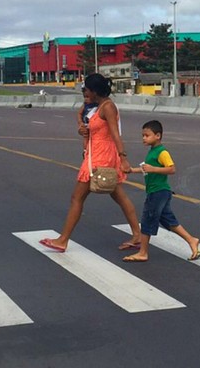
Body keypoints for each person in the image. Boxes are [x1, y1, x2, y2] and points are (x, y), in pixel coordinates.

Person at [39, 73, 142, 253]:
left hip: (101, 157)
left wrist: (123, 158)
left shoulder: (108, 107)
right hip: (98, 154)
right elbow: (92, 127)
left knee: (77, 198)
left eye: (86, 88)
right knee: (118, 194)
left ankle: (63, 240)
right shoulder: (98, 106)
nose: (84, 91)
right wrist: (83, 130)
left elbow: (115, 134)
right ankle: (137, 235)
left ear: (94, 91)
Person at [121, 119, 200, 263]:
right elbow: (147, 169)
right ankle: (192, 240)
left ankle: (143, 252)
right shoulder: (152, 152)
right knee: (168, 221)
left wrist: (153, 169)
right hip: (158, 192)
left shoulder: (162, 152)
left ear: (158, 135)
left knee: (147, 220)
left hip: (158, 192)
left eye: (147, 135)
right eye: (143, 135)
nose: (144, 138)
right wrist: (131, 170)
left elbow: (171, 169)